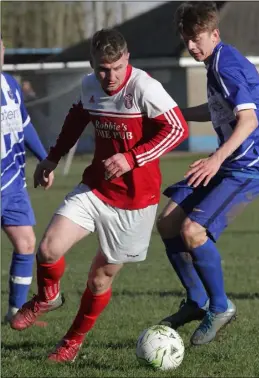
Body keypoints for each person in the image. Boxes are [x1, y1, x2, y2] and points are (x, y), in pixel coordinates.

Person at [10, 28, 189, 362]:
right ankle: (48, 296)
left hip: (136, 202)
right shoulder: (89, 84)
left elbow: (178, 128)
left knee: (99, 278)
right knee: (48, 248)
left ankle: (72, 341)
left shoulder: (145, 89)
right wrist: (51, 158)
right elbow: (77, 118)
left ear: (127, 60)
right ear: (93, 64)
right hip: (96, 188)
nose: (109, 76)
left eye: (116, 68)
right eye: (102, 69)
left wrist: (130, 158)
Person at [157, 1, 259, 346]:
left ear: (214, 34)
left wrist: (215, 158)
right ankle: (197, 300)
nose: (192, 46)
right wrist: (174, 116)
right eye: (186, 39)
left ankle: (220, 307)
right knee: (168, 223)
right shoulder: (215, 63)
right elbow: (215, 110)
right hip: (229, 163)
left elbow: (249, 120)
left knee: (193, 231)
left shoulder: (227, 66)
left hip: (248, 168)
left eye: (197, 39)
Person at [0, 36, 54, 323]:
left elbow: (24, 124)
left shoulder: (9, 84)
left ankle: (15, 312)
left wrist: (45, 159)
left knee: (25, 242)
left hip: (14, 179)